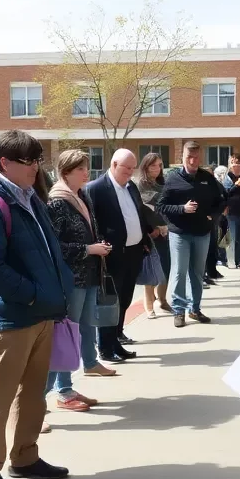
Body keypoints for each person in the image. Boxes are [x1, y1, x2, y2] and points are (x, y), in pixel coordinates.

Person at [0, 130, 74, 479]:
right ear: (4, 164)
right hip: (14, 316)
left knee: (33, 393)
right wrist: (30, 296)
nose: (35, 168)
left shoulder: (30, 198)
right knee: (1, 392)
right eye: (28, 162)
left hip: (41, 313)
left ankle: (25, 457)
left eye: (37, 160)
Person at [45, 149, 114, 408]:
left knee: (83, 330)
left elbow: (87, 232)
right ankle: (50, 397)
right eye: (80, 169)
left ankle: (68, 387)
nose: (87, 172)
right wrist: (88, 249)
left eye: (87, 167)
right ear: (65, 173)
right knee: (66, 336)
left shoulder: (81, 195)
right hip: (72, 279)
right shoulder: (57, 202)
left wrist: (98, 245)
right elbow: (55, 247)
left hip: (89, 275)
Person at [84, 149, 154, 361]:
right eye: (126, 169)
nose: (130, 173)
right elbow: (92, 222)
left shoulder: (131, 186)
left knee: (124, 299)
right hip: (112, 255)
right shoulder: (96, 189)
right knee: (110, 302)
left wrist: (144, 240)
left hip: (133, 252)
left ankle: (116, 339)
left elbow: (138, 213)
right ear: (114, 165)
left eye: (133, 169)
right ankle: (105, 348)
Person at [157, 141, 221, 328]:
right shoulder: (172, 178)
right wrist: (181, 209)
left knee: (197, 273)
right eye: (188, 157)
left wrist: (213, 217)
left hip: (202, 233)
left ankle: (195, 308)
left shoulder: (207, 178)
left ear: (199, 157)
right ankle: (179, 311)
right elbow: (161, 206)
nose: (192, 161)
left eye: (195, 157)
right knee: (179, 272)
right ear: (182, 157)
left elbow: (220, 201)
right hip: (180, 234)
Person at [136, 152, 173, 317]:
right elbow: (142, 211)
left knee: (166, 267)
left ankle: (163, 300)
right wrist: (152, 228)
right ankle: (149, 305)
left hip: (167, 231)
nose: (157, 169)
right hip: (150, 233)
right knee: (151, 269)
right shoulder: (140, 185)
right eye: (153, 165)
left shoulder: (164, 183)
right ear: (145, 166)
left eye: (159, 165)